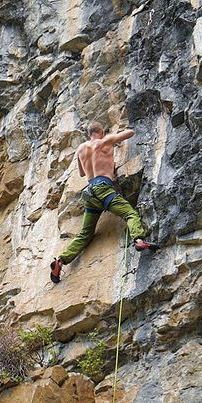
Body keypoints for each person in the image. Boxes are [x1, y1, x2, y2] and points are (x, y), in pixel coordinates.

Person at [50, 121, 158, 283]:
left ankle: (61, 261)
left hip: (90, 193)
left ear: (88, 134)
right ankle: (139, 240)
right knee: (129, 213)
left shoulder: (80, 149)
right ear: (100, 131)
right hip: (104, 188)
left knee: (85, 234)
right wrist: (113, 140)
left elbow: (81, 173)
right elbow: (130, 134)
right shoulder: (105, 141)